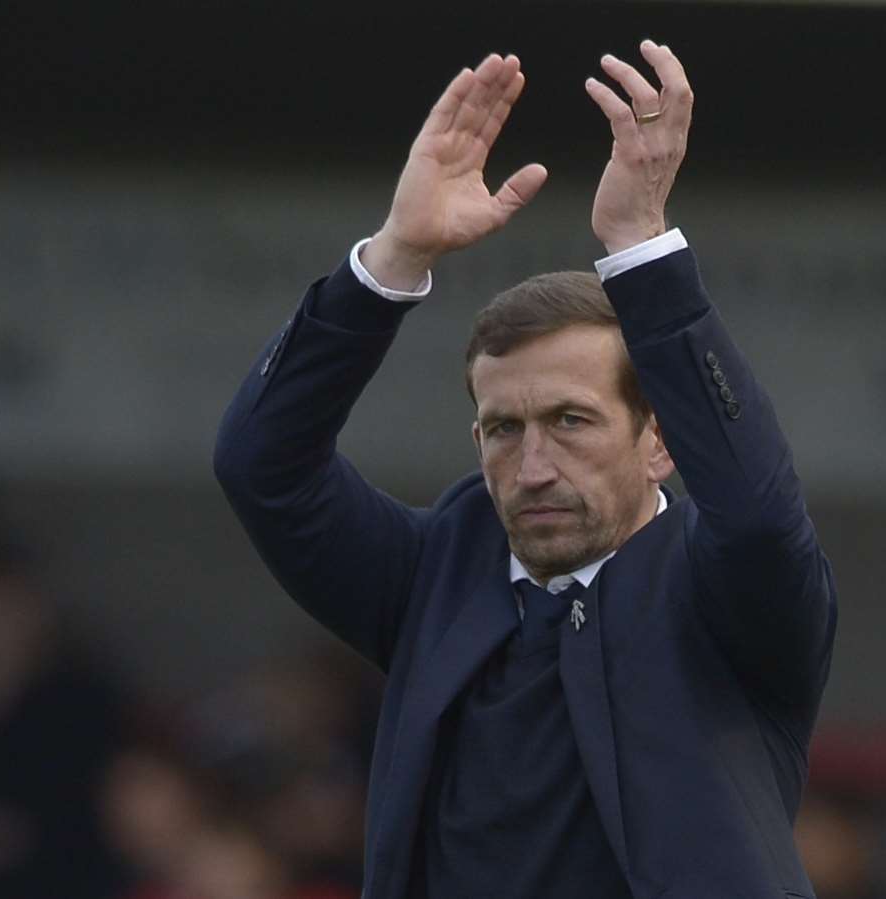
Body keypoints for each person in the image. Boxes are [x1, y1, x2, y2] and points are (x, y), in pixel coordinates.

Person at [215, 41, 837, 899]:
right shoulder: (433, 574)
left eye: (571, 421)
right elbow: (261, 465)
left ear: (659, 440)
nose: (534, 464)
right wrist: (395, 256)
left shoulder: (723, 588)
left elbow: (761, 512)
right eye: (504, 428)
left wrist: (640, 250)